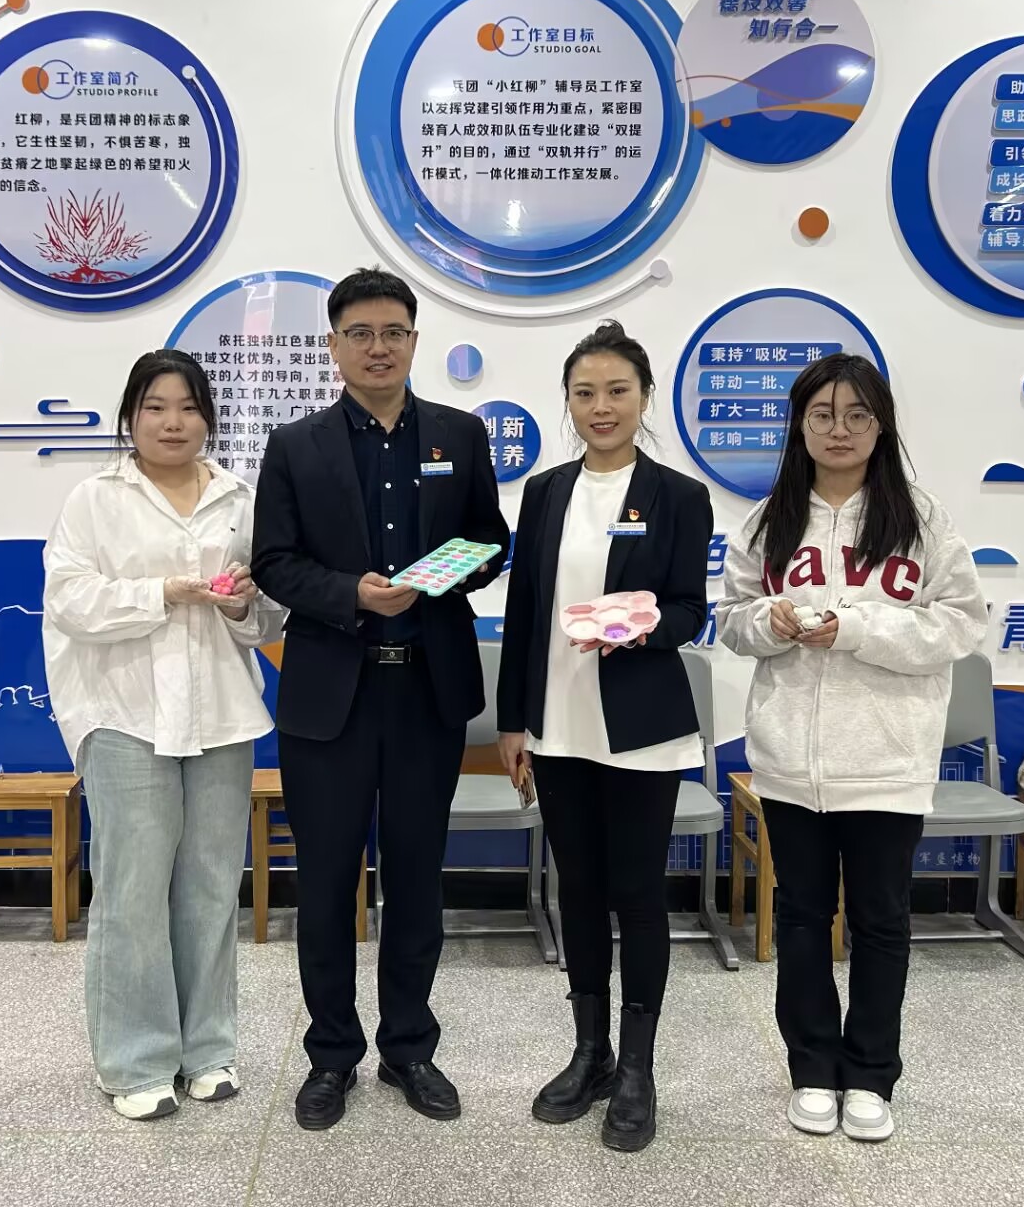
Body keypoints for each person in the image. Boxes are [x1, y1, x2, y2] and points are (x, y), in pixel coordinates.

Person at [252, 266, 510, 1132]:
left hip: (427, 692)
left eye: (393, 332)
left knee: (416, 876)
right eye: (359, 334)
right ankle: (331, 1055)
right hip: (331, 695)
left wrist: (443, 576)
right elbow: (274, 562)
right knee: (327, 882)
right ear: (333, 346)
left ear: (413, 340)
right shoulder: (295, 445)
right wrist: (351, 594)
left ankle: (409, 1048)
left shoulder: (459, 435)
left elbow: (490, 542)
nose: (377, 347)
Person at [716, 353, 986, 1144]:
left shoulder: (921, 521)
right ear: (799, 425)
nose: (840, 430)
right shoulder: (769, 522)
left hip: (888, 758)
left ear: (881, 426)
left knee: (881, 922)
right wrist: (768, 622)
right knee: (801, 919)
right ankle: (811, 1069)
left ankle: (870, 1075)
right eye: (823, 415)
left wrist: (857, 629)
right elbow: (731, 620)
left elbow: (959, 624)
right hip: (791, 764)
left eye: (857, 415)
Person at [42, 349, 286, 1124]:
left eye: (187, 407)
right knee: (133, 890)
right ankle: (137, 1060)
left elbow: (267, 619)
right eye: (155, 407)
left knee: (211, 886)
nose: (173, 422)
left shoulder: (239, 500)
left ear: (209, 418)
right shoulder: (95, 499)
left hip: (220, 712)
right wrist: (166, 592)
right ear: (130, 418)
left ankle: (208, 1049)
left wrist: (240, 604)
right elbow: (71, 600)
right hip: (125, 713)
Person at [496, 322, 713, 1154]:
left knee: (637, 892)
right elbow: (524, 614)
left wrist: (642, 625)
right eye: (585, 393)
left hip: (640, 728)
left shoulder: (677, 496)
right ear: (569, 401)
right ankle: (590, 1053)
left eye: (617, 391)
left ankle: (639, 1070)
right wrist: (513, 720)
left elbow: (691, 610)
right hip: (558, 723)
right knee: (579, 889)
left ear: (644, 397)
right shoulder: (546, 491)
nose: (601, 406)